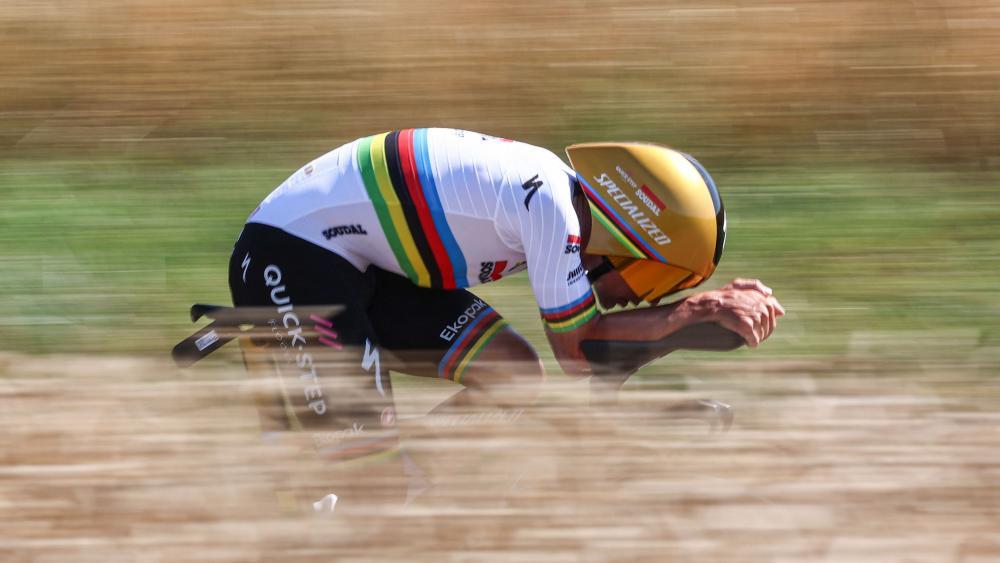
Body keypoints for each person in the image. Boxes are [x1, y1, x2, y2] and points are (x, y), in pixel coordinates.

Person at [226, 128, 784, 500]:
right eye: (658, 279)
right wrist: (693, 313)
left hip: (358, 264)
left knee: (511, 371)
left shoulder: (557, 203)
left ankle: (405, 480)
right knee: (370, 489)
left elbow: (594, 363)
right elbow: (581, 353)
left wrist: (683, 330)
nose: (641, 297)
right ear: (634, 236)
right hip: (292, 257)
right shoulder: (552, 208)